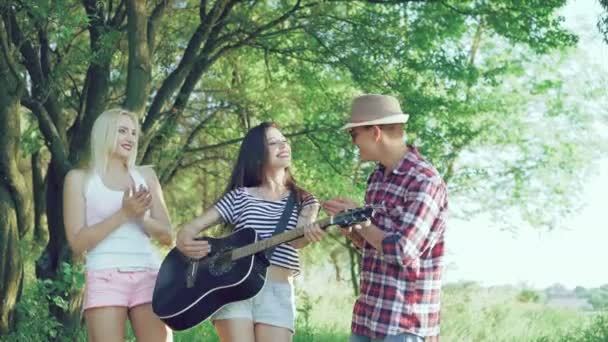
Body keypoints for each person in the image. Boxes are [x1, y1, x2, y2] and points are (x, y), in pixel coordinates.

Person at [176, 122, 325, 342]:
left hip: (277, 291)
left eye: (284, 141)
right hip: (233, 290)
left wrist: (309, 235)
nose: (283, 146)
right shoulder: (240, 196)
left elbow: (298, 240)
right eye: (273, 143)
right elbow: (190, 228)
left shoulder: (305, 199)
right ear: (257, 154)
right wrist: (185, 240)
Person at [323, 94, 448, 342]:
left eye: (354, 134)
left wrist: (360, 221)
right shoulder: (377, 178)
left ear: (375, 132)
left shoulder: (424, 181)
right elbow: (374, 244)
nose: (353, 143)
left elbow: (402, 251)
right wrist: (352, 229)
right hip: (367, 319)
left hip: (402, 326)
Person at [63, 108, 173, 341]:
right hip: (104, 276)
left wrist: (142, 219)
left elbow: (167, 236)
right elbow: (76, 242)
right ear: (104, 133)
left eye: (133, 133)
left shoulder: (147, 177)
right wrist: (124, 214)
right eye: (122, 131)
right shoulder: (79, 179)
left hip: (149, 275)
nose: (130, 138)